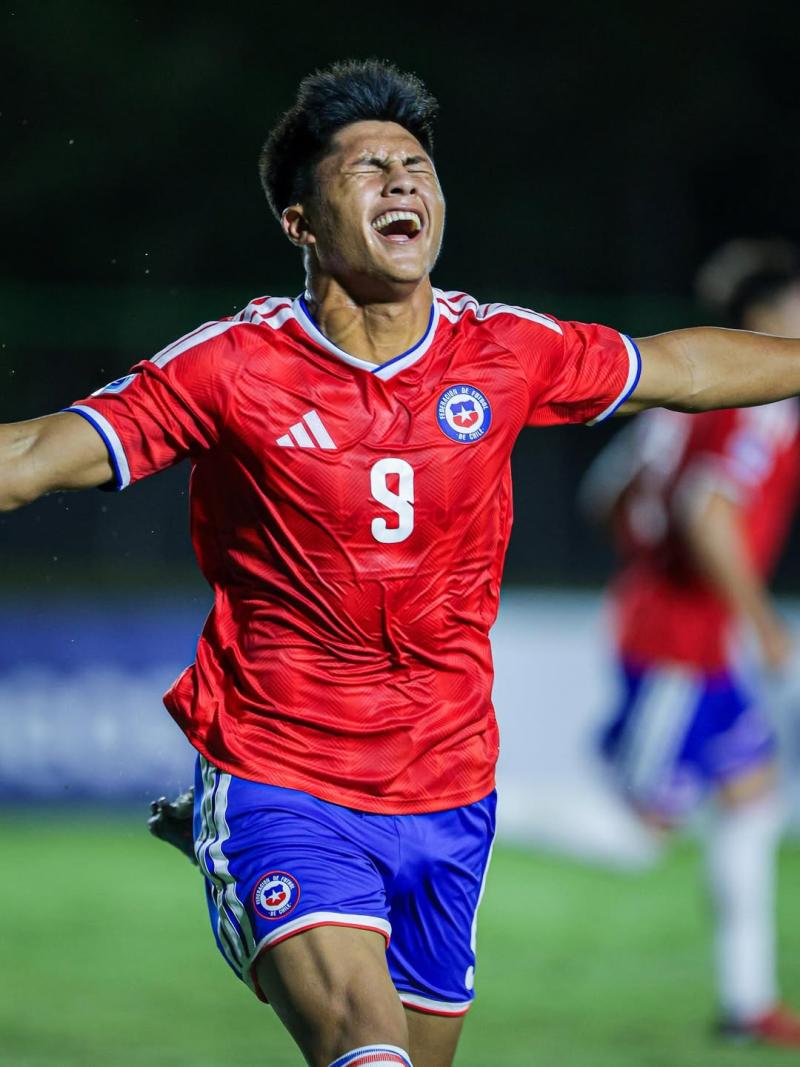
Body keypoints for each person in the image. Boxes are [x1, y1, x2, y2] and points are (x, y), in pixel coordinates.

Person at [6, 61, 800, 1067]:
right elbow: (33, 457)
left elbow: (677, 368)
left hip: (448, 786)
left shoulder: (502, 350)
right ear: (300, 222)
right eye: (367, 168)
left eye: (416, 166)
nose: (401, 182)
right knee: (365, 1049)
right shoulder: (231, 367)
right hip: (281, 771)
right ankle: (231, 837)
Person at [581, 239, 800, 1048]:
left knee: (752, 796)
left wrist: (645, 557)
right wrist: (761, 618)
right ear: (765, 317)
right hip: (679, 636)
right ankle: (491, 806)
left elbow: (604, 496)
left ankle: (747, 1004)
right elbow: (708, 507)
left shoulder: (682, 394)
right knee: (642, 833)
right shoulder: (760, 399)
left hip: (677, 628)